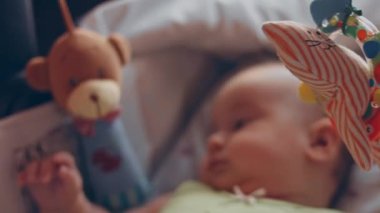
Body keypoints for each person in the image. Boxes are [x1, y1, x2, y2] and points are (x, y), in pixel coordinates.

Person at [17, 59, 353, 213]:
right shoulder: (182, 197)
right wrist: (69, 205)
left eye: (239, 125)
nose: (213, 142)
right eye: (213, 130)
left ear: (320, 143)